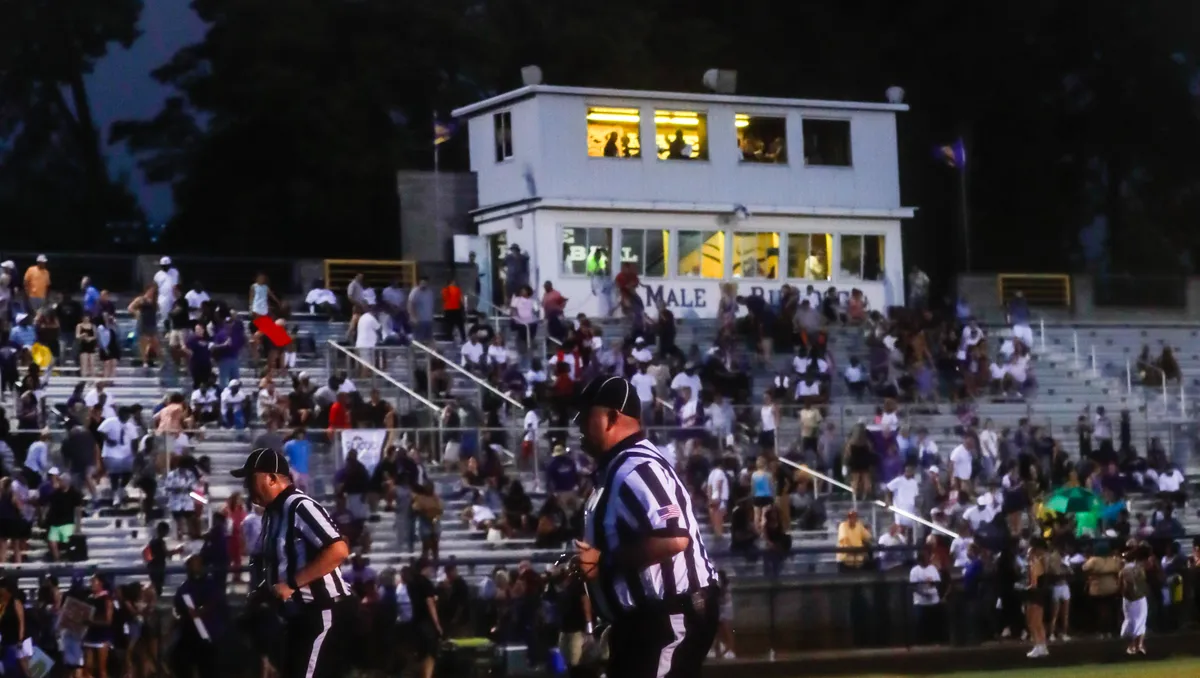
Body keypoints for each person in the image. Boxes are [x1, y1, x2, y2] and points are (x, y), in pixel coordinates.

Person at [574, 376, 719, 678]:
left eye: (587, 415)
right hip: (644, 621)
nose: (578, 425)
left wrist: (604, 561)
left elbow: (674, 537)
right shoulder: (617, 467)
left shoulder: (636, 467)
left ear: (612, 417)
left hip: (667, 614)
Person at [231, 448, 352, 678]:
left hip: (320, 610)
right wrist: (264, 592)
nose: (247, 486)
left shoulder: (300, 506)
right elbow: (281, 561)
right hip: (296, 615)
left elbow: (338, 550)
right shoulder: (271, 514)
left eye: (251, 478)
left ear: (272, 478)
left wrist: (292, 584)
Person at [1120, 542, 1149, 655]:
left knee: (1133, 621)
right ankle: (1137, 645)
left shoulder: (1126, 567)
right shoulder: (1135, 568)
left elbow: (1121, 584)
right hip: (1137, 597)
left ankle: (1135, 646)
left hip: (1131, 598)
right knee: (1138, 620)